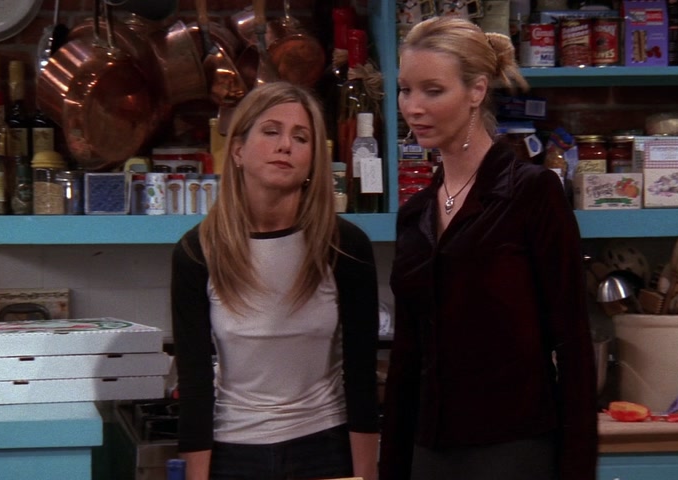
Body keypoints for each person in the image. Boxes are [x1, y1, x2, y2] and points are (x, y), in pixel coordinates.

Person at [380, 16, 597, 480]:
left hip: (513, 448)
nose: (413, 107)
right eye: (405, 90)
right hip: (428, 451)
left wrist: (577, 468)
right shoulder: (415, 215)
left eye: (433, 91)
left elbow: (574, 344)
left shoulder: (531, 194)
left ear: (477, 90)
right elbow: (406, 360)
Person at [171, 81, 380, 480]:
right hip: (234, 453)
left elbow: (361, 374)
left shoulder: (344, 245)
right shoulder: (198, 252)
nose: (285, 145)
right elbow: (194, 383)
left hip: (325, 446)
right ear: (238, 150)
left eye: (301, 138)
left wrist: (366, 474)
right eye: (271, 131)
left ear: (313, 159)